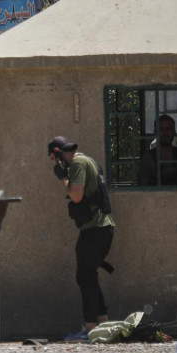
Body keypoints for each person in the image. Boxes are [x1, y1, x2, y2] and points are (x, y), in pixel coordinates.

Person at [48, 136, 115, 334]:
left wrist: (63, 178)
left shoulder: (77, 163)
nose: (56, 164)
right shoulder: (87, 160)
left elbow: (76, 196)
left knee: (85, 277)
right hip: (99, 228)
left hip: (96, 228)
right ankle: (102, 325)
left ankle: (90, 328)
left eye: (54, 158)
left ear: (58, 154)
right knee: (89, 276)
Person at [138, 114, 177, 186]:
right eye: (161, 129)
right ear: (155, 132)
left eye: (168, 129)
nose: (165, 133)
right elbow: (142, 187)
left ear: (174, 132)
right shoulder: (148, 159)